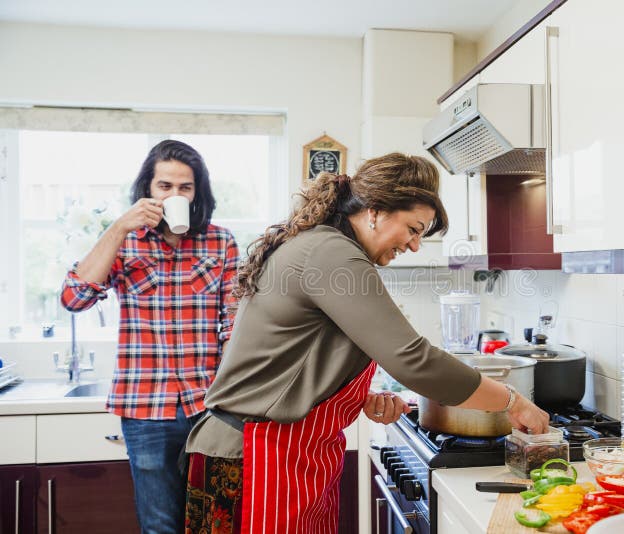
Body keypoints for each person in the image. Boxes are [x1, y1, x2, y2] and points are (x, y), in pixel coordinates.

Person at [183, 152, 550, 534]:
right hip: (251, 456)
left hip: (280, 452)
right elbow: (414, 360)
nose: (413, 245)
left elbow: (300, 355)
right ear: (375, 211)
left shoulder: (325, 247)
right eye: (413, 228)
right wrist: (512, 401)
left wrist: (358, 396)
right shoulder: (331, 252)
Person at [60, 140, 239, 534]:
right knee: (160, 527)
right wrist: (120, 226)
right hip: (144, 407)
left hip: (209, 404)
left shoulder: (221, 241)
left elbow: (235, 325)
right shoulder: (124, 241)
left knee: (214, 524)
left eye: (185, 188)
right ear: (148, 189)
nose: (174, 195)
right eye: (165, 186)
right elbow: (74, 298)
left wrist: (228, 399)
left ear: (197, 193)